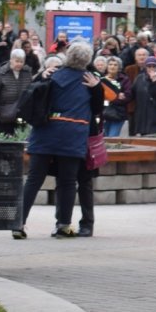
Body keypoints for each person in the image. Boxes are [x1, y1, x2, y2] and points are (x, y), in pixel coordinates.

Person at [14, 44, 104, 239]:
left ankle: (18, 223)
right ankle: (63, 225)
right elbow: (97, 109)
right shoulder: (89, 80)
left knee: (33, 180)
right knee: (67, 181)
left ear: (67, 56)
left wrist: (41, 76)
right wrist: (97, 88)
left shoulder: (52, 74)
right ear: (87, 60)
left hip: (44, 134)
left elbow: (31, 95)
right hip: (72, 136)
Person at [0, 48, 32, 134]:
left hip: (21, 112)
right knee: (4, 138)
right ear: (11, 60)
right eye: (17, 61)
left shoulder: (27, 72)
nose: (19, 64)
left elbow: (30, 89)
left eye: (21, 61)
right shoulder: (1, 72)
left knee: (21, 137)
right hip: (3, 112)